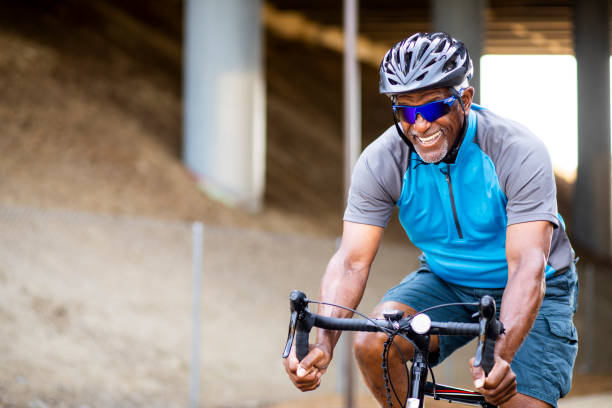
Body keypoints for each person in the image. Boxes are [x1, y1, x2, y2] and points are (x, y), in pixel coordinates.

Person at [283, 32, 578, 408]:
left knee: (514, 400)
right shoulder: (383, 160)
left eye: (434, 108)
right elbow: (351, 261)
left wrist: (500, 355)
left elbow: (526, 265)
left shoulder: (515, 150)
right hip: (446, 280)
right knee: (374, 343)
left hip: (534, 284)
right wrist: (322, 343)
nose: (420, 125)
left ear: (465, 100)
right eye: (406, 111)